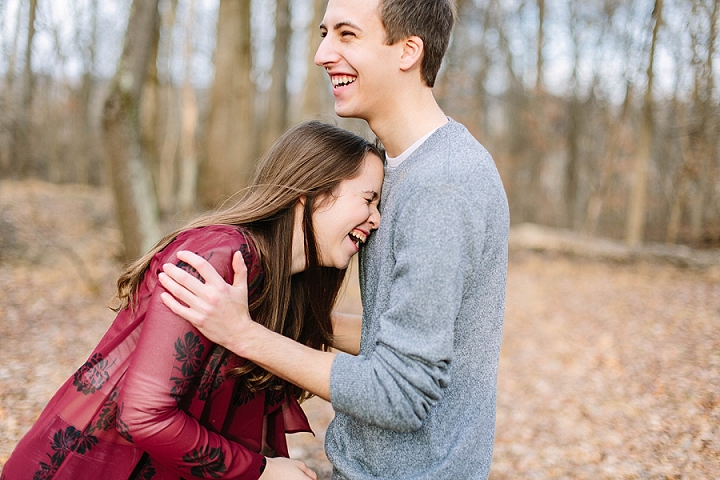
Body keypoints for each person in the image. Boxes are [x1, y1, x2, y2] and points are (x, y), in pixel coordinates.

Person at [158, 0, 510, 478]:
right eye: (325, 33)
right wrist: (266, 310)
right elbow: (397, 342)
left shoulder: (442, 186)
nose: (323, 53)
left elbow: (399, 393)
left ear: (407, 51)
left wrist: (245, 334)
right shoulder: (404, 167)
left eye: (346, 35)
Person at [0, 121, 384, 480]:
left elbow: (336, 334)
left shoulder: (281, 283)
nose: (377, 219)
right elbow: (143, 416)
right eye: (368, 199)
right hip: (93, 467)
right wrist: (262, 470)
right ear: (312, 191)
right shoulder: (219, 256)